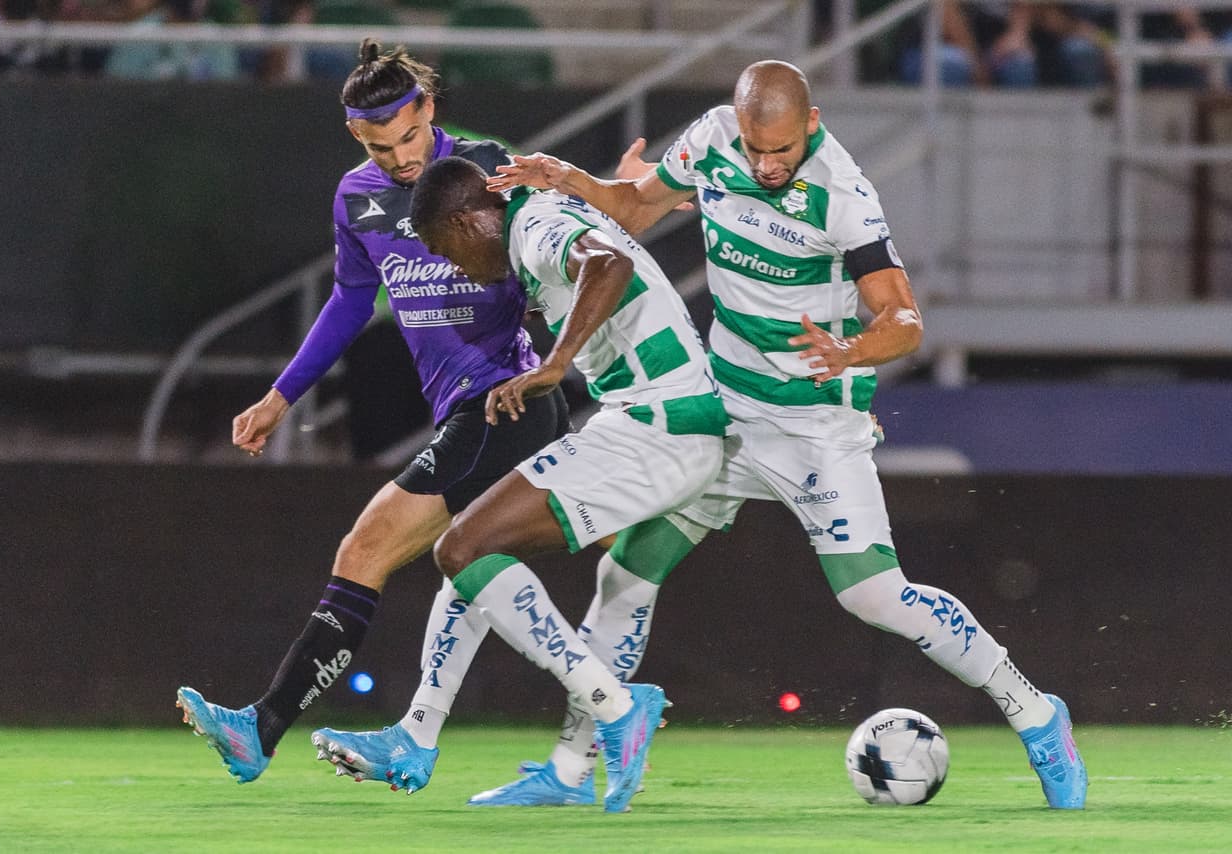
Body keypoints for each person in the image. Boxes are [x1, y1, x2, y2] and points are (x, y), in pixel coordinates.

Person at [486, 59, 1089, 810]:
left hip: (813, 425)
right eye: (755, 148)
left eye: (781, 150)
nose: (766, 165)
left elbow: (903, 320)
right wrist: (572, 180)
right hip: (724, 408)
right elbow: (634, 208)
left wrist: (852, 350)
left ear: (810, 123)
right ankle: (570, 774)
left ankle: (1036, 714)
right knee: (627, 572)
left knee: (875, 597)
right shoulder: (712, 140)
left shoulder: (844, 194)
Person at [174, 41, 574, 788]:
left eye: (408, 138)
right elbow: (351, 301)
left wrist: (624, 193)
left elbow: (572, 244)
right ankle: (597, 713)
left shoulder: (487, 165)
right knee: (474, 578)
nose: (398, 159)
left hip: (509, 401)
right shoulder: (357, 195)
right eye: (379, 146)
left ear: (428, 109)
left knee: (367, 548)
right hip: (465, 411)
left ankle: (263, 727)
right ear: (358, 137)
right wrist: (281, 395)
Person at [311, 155, 730, 813]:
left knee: (461, 549)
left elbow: (608, 265)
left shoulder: (532, 224)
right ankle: (447, 743)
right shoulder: (538, 225)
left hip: (658, 427)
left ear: (472, 219)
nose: (450, 263)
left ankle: (619, 708)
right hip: (676, 425)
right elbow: (598, 253)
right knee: (489, 557)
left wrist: (556, 364)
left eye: (443, 247)